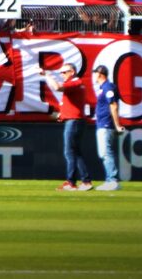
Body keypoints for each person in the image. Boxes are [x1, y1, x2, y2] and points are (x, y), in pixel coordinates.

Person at [46, 62, 94, 191]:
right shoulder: (75, 84)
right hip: (74, 120)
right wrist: (61, 115)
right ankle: (86, 181)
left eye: (64, 72)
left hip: (74, 121)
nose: (62, 74)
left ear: (72, 72)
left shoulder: (75, 82)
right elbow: (71, 105)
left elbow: (56, 87)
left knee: (69, 152)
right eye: (61, 72)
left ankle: (71, 182)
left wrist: (47, 75)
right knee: (76, 152)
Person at [91, 65, 123, 191]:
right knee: (103, 153)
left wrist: (117, 125)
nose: (93, 76)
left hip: (106, 124)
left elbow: (113, 105)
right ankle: (109, 179)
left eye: (94, 73)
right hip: (102, 124)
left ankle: (112, 180)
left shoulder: (107, 87)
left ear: (99, 74)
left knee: (106, 153)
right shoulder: (104, 87)